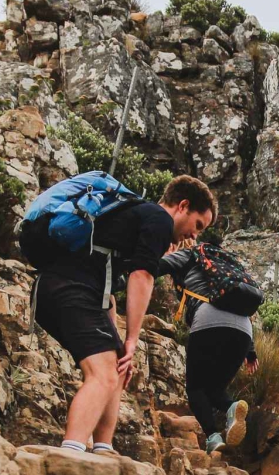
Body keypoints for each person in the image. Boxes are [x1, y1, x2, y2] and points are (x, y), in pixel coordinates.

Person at [33, 175, 216, 456]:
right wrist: (132, 339)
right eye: (197, 226)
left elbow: (108, 284)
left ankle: (103, 448)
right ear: (183, 206)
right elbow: (141, 276)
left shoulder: (140, 218)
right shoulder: (159, 219)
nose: (194, 236)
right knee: (103, 373)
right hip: (68, 288)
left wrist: (120, 344)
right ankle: (69, 455)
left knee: (117, 368)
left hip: (69, 290)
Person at [162, 241, 258, 453]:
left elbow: (151, 267)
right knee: (214, 390)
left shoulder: (186, 254)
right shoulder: (224, 264)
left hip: (209, 319)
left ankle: (213, 438)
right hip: (244, 328)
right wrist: (251, 351)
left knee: (195, 387)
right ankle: (232, 407)